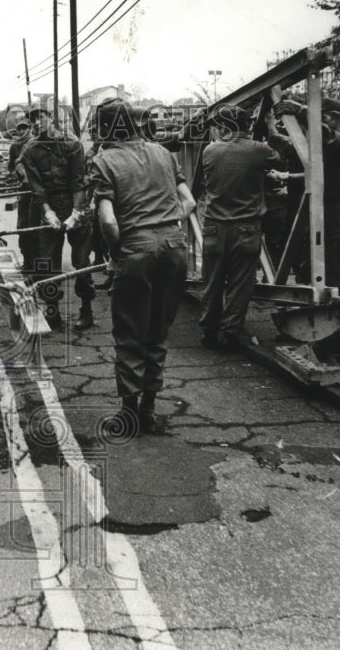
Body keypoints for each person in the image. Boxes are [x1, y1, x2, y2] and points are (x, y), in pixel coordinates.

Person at [91, 99, 196, 436]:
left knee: (130, 332)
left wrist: (116, 251)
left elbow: (107, 219)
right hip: (173, 247)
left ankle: (129, 413)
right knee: (157, 331)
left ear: (105, 127)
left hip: (136, 250)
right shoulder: (164, 154)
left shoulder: (104, 160)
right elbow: (190, 202)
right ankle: (149, 409)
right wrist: (165, 226)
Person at [198, 103, 282, 351]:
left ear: (223, 126)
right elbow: (280, 159)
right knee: (240, 284)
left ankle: (209, 332)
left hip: (214, 227)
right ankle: (231, 332)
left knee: (212, 282)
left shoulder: (210, 151)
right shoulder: (259, 151)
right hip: (246, 228)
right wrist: (271, 129)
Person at [273, 96, 340, 298]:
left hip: (336, 212)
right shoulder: (328, 145)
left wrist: (302, 112)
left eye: (321, 118)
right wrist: (274, 132)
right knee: (310, 268)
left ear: (336, 118)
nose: (317, 123)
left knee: (336, 271)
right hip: (320, 210)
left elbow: (326, 135)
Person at [16, 106, 93, 331]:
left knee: (81, 261)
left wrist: (76, 214)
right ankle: (53, 310)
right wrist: (48, 212)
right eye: (32, 121)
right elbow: (37, 188)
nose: (36, 123)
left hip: (75, 201)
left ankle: (86, 309)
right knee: (47, 260)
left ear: (51, 118)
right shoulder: (31, 149)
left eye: (40, 117)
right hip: (49, 203)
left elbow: (78, 182)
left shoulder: (72, 144)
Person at [6, 116, 37, 275]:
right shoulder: (15, 147)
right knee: (23, 227)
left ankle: (39, 265)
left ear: (30, 128)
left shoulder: (37, 144)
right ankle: (27, 262)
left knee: (37, 229)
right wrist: (15, 175)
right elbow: (11, 167)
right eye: (19, 128)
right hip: (24, 193)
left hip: (38, 193)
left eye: (25, 128)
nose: (22, 131)